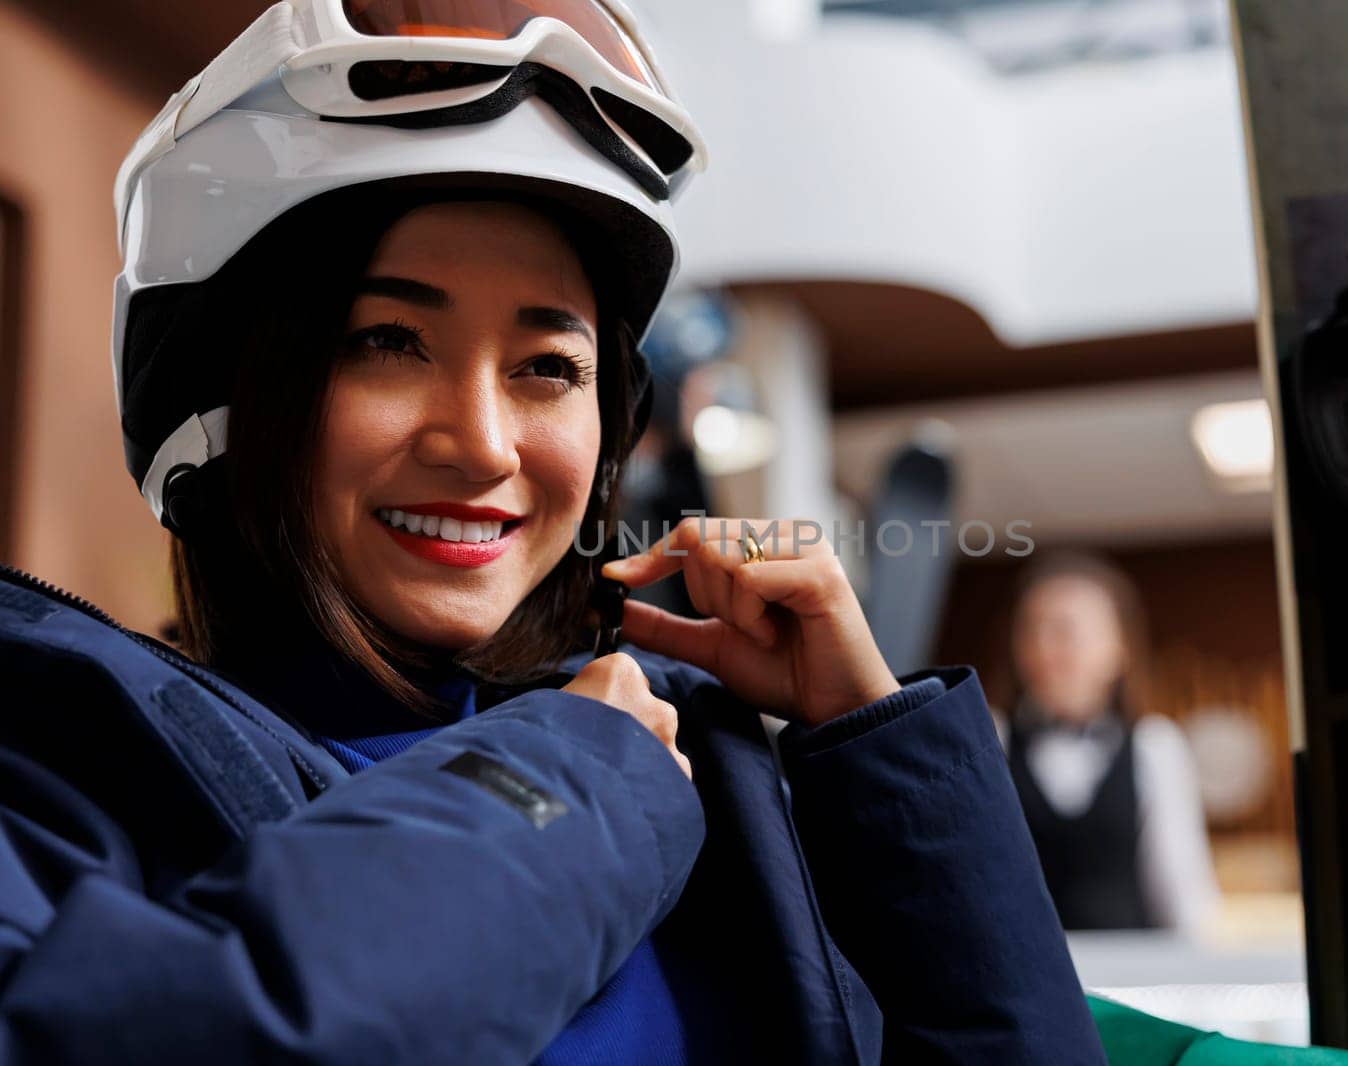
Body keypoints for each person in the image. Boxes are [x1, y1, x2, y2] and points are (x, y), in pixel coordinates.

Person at [0, 1, 1104, 1063]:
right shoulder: (56, 757)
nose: (484, 445)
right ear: (220, 397)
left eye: (547, 368)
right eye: (387, 340)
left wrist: (876, 751)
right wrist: (580, 784)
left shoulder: (691, 751)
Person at [999, 552, 1221, 933]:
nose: (1045, 648)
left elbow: (1184, 891)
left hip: (1131, 977)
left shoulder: (1156, 746)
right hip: (1022, 978)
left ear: (1119, 648)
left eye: (1065, 631)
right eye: (1032, 630)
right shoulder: (990, 739)